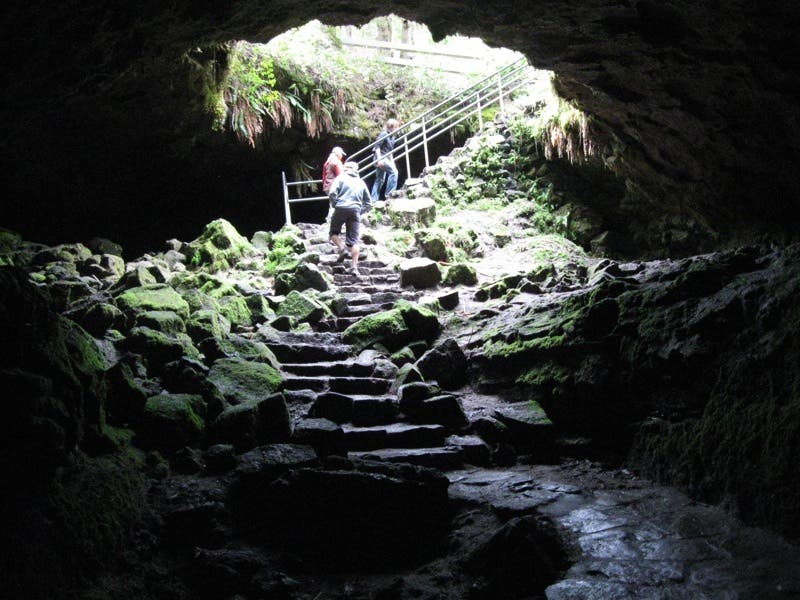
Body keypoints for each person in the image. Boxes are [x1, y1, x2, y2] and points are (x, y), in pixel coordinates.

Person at [329, 161, 372, 276]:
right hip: (355, 211)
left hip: (341, 208)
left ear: (345, 168)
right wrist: (359, 211)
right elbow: (369, 204)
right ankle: (354, 267)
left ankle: (342, 248)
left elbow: (332, 193)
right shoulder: (361, 182)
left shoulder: (340, 178)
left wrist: (335, 204)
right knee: (354, 241)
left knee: (333, 233)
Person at [371, 118, 400, 201]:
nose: (398, 129)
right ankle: (390, 195)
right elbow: (377, 147)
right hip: (381, 157)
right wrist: (379, 160)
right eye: (396, 127)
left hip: (386, 158)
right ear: (392, 127)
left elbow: (390, 152)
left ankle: (373, 200)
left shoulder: (392, 137)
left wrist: (393, 163)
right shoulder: (384, 134)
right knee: (394, 173)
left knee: (380, 179)